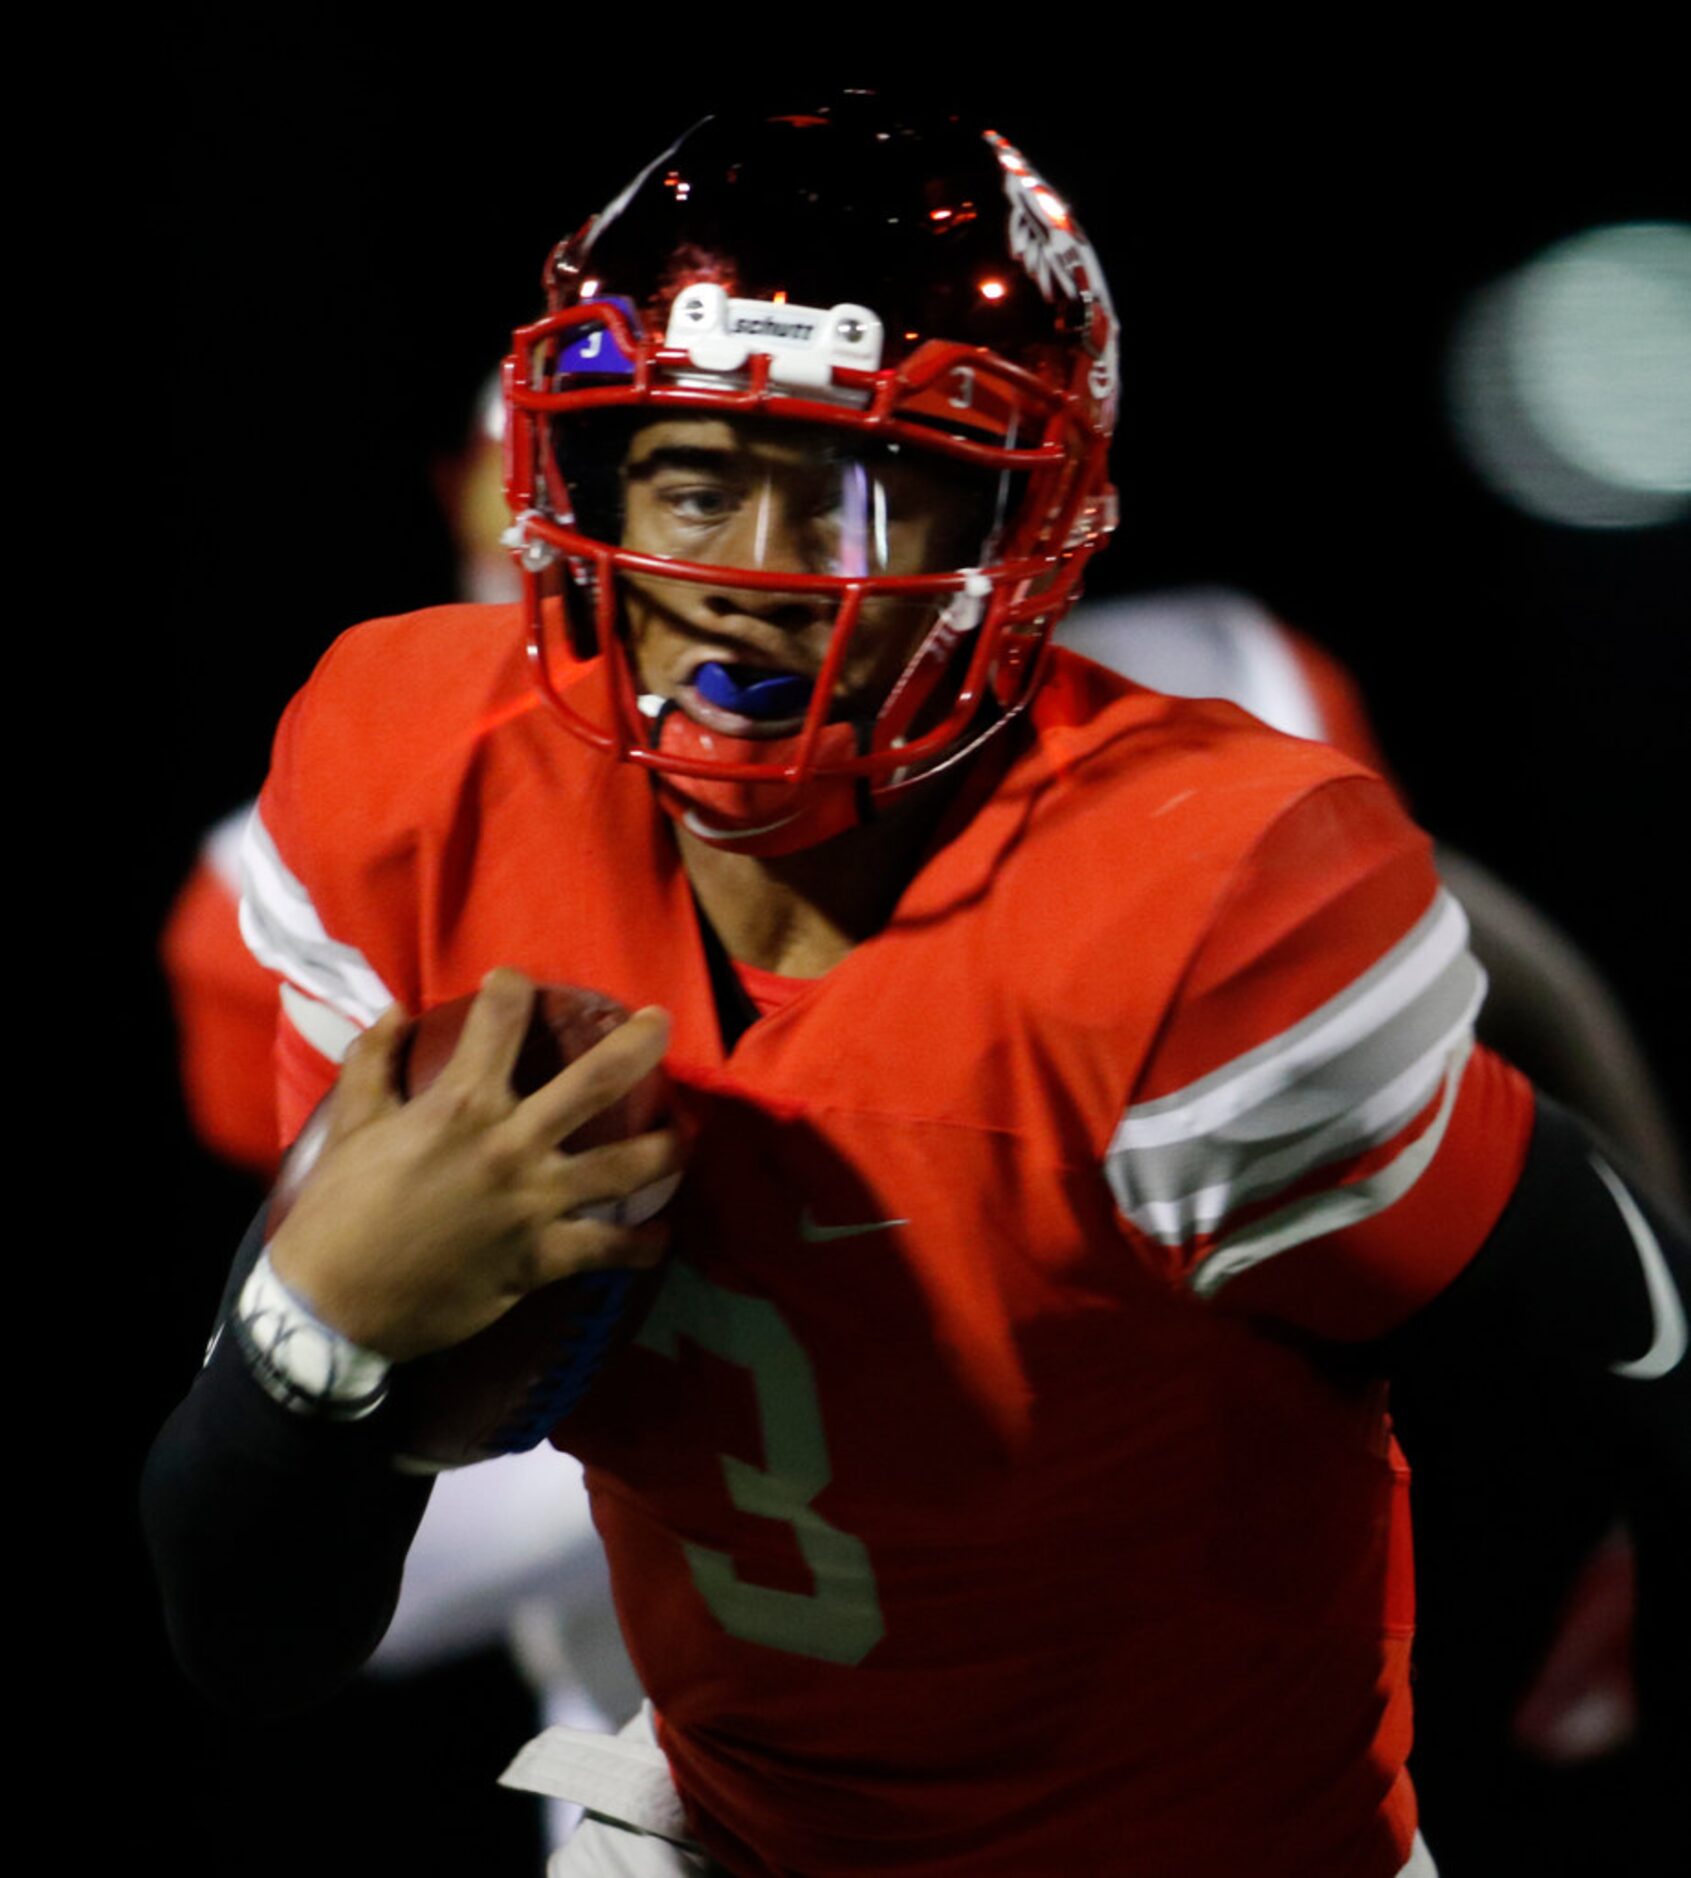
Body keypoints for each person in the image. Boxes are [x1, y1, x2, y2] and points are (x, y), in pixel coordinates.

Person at [144, 98, 1688, 1877]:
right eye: (697, 475)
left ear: (1033, 526)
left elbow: (1536, 1067)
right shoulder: (403, 784)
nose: (758, 585)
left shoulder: (1198, 870)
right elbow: (255, 1627)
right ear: (553, 477)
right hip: (718, 1778)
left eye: (874, 489)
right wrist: (315, 1342)